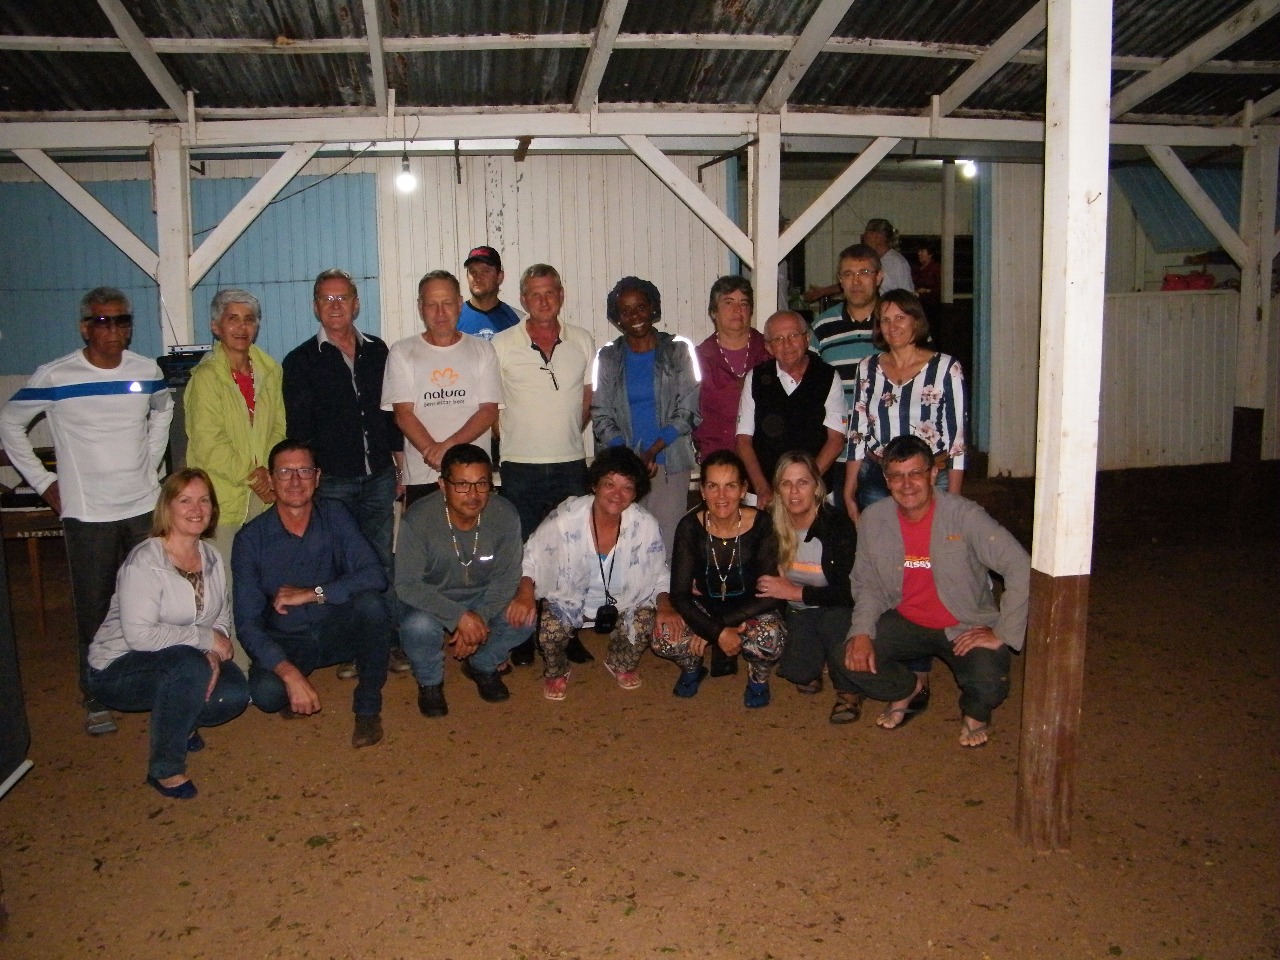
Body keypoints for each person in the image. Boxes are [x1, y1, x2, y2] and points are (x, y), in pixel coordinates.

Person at [0, 286, 173, 735]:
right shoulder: (56, 376)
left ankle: (151, 683)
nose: (113, 329)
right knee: (95, 606)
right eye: (103, 321)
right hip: (88, 513)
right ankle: (95, 693)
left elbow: (163, 409)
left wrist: (150, 465)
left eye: (121, 320)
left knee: (151, 601)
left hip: (141, 507)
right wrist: (44, 483)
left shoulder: (146, 370)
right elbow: (9, 423)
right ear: (85, 326)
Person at [837, 436, 1030, 748]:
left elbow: (1019, 565)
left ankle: (975, 713)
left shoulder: (964, 515)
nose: (907, 484)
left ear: (931, 475)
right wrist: (860, 631)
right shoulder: (874, 519)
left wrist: (1002, 630)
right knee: (846, 657)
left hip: (962, 623)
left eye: (915, 473)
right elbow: (867, 583)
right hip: (906, 618)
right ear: (887, 481)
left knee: (990, 684)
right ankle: (909, 689)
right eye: (897, 476)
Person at [86, 469, 249, 799]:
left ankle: (182, 718)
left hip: (182, 658)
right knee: (188, 668)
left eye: (204, 500)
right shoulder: (145, 561)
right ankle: (165, 769)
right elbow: (141, 637)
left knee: (231, 695)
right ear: (167, 509)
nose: (196, 508)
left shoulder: (212, 557)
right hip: (118, 668)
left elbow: (220, 617)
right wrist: (204, 643)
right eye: (185, 500)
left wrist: (214, 652)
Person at [282, 268, 408, 678]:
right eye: (326, 299)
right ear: (316, 307)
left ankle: (387, 642)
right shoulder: (300, 361)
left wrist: (399, 460)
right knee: (341, 568)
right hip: (333, 483)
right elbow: (299, 431)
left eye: (343, 298)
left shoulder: (379, 351)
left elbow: (390, 412)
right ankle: (355, 647)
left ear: (356, 303)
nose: (335, 306)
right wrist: (309, 483)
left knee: (380, 563)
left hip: (378, 479)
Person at [233, 440, 393, 749]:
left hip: (335, 628)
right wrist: (288, 673)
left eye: (304, 471)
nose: (295, 481)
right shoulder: (250, 539)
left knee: (372, 605)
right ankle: (297, 681)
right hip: (290, 639)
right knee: (267, 694)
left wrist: (313, 594)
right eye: (285, 472)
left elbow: (375, 575)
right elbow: (247, 624)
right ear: (270, 479)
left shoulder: (335, 514)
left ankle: (368, 708)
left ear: (317, 478)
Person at [507, 447, 682, 701]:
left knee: (645, 619)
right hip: (571, 599)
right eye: (609, 484)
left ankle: (619, 663)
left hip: (623, 601)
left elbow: (659, 572)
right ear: (594, 485)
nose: (617, 494)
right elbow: (531, 554)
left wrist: (665, 605)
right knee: (550, 630)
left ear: (636, 493)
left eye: (627, 487)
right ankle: (557, 671)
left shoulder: (644, 524)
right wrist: (525, 593)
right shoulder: (567, 516)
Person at [492, 263, 597, 667]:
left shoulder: (584, 341)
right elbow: (492, 409)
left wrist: (565, 431)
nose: (543, 300)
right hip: (520, 466)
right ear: (522, 300)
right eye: (534, 294)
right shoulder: (501, 345)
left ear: (562, 295)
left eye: (550, 292)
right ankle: (521, 634)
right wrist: (519, 441)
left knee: (569, 553)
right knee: (521, 554)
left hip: (571, 462)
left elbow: (588, 401)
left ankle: (565, 632)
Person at [184, 288, 285, 667]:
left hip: (265, 496)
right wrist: (253, 475)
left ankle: (265, 661)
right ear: (216, 326)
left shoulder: (270, 370)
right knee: (224, 586)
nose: (242, 327)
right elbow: (209, 443)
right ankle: (234, 666)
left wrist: (271, 474)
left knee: (262, 582)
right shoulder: (206, 378)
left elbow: (279, 427)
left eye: (249, 319)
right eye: (233, 318)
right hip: (222, 499)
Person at [396, 444, 532, 718]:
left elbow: (507, 578)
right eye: (461, 485)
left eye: (482, 484)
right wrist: (459, 617)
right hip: (435, 598)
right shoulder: (418, 519)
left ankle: (482, 664)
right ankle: (430, 681)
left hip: (483, 597)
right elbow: (407, 584)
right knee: (418, 627)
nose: (473, 495)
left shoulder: (505, 514)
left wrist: (478, 619)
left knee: (525, 617)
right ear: (442, 486)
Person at [656, 449, 786, 706]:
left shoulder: (762, 524)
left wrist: (715, 629)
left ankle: (758, 677)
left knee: (771, 637)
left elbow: (770, 594)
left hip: (751, 609)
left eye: (730, 486)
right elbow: (680, 596)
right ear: (702, 491)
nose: (722, 496)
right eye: (713, 486)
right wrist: (716, 630)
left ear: (743, 489)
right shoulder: (689, 527)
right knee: (663, 637)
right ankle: (692, 666)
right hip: (705, 605)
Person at [591, 276, 701, 558]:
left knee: (665, 542)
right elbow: (601, 414)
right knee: (624, 542)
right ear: (617, 318)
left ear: (653, 308)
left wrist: (651, 451)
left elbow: (687, 410)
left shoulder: (678, 350)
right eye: (625, 311)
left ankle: (663, 601)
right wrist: (630, 459)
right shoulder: (608, 357)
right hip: (622, 467)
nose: (634, 316)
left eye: (640, 307)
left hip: (668, 462)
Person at [757, 452, 862, 723]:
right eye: (786, 483)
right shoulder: (770, 525)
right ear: (777, 489)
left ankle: (848, 690)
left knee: (834, 624)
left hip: (837, 606)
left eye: (802, 482)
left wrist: (796, 592)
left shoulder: (837, 524)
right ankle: (815, 659)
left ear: (816, 486)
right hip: (798, 612)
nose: (794, 491)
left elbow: (850, 591)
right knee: (799, 673)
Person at [383, 270, 501, 507]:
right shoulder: (402, 351)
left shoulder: (483, 350)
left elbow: (488, 411)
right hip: (422, 474)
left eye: (447, 303)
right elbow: (403, 413)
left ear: (459, 304)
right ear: (420, 307)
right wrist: (432, 451)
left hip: (472, 477)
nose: (440, 313)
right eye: (431, 304)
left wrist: (447, 451)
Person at [844, 289, 966, 519]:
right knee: (882, 549)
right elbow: (857, 432)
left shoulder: (945, 368)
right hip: (878, 478)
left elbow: (956, 440)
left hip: (930, 479)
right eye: (886, 320)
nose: (892, 326)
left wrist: (954, 499)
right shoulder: (867, 367)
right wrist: (849, 491)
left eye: (900, 318)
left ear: (915, 321)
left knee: (928, 549)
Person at [735, 310, 845, 510]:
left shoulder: (827, 376)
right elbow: (743, 440)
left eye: (793, 336)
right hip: (764, 494)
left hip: (815, 491)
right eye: (778, 339)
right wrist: (762, 488)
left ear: (806, 339)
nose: (787, 344)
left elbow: (836, 439)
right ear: (769, 347)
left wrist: (805, 485)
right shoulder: (757, 378)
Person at [808, 243, 886, 511]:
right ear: (840, 280)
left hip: (888, 454)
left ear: (879, 276)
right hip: (839, 454)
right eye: (848, 273)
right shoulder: (822, 327)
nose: (856, 281)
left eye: (864, 272)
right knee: (844, 533)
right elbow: (811, 388)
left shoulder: (898, 322)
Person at [692, 276, 769, 461]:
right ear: (713, 311)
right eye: (728, 302)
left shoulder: (769, 351)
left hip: (764, 456)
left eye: (743, 303)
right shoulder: (698, 358)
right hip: (718, 459)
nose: (737, 310)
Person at [457, 245, 523, 341]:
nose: (478, 278)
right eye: (473, 272)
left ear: (500, 277)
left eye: (485, 271)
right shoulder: (453, 318)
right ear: (467, 277)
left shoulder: (518, 320)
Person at [861, 217, 915, 294]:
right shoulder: (871, 260)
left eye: (868, 234)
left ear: (878, 236)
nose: (865, 238)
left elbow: (907, 295)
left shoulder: (898, 262)